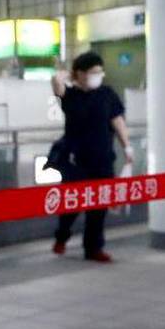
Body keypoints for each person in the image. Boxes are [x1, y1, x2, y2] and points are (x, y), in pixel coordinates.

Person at [49, 51, 133, 262]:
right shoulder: (70, 96)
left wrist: (127, 146)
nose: (99, 76)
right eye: (93, 72)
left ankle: (93, 248)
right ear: (80, 73)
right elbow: (56, 82)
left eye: (100, 72)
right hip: (76, 161)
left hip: (103, 159)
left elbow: (117, 121)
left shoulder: (107, 94)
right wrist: (70, 76)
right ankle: (62, 236)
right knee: (71, 204)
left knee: (99, 206)